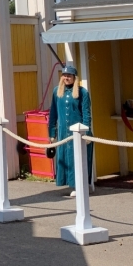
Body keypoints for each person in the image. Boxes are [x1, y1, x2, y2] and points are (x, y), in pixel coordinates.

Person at [48, 64, 91, 194]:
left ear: (74, 77)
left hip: (79, 132)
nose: (66, 78)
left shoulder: (82, 92)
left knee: (78, 159)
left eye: (69, 75)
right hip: (63, 132)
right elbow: (53, 113)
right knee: (66, 159)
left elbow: (86, 113)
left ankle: (81, 186)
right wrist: (52, 132)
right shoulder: (56, 91)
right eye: (64, 75)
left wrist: (87, 132)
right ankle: (71, 184)